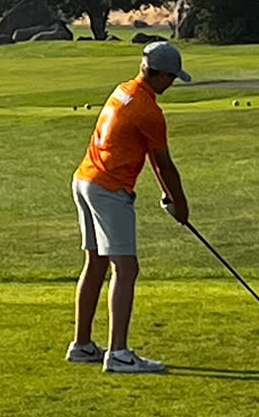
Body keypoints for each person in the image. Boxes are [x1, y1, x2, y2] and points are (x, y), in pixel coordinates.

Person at [67, 41, 192, 373]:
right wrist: (181, 205)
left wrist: (172, 198)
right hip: (108, 189)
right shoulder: (148, 111)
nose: (173, 83)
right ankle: (118, 354)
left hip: (85, 179)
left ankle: (82, 345)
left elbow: (151, 158)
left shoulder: (123, 90)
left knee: (96, 262)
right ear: (157, 74)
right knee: (126, 268)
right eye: (171, 77)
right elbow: (164, 164)